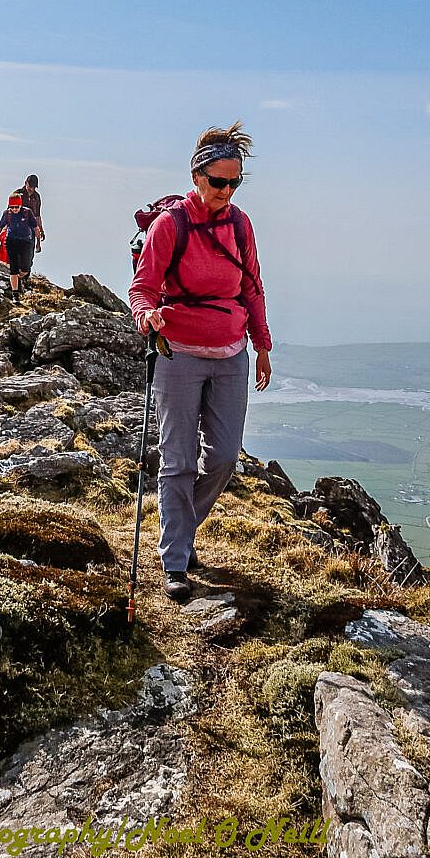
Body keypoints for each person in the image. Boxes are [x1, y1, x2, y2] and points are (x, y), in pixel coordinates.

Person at [129, 121, 272, 601]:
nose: (227, 192)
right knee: (179, 461)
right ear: (197, 177)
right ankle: (175, 560)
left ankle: (180, 530)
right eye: (218, 182)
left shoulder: (240, 224)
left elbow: (251, 285)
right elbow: (143, 286)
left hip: (232, 354)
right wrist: (147, 313)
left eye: (234, 182)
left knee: (225, 457)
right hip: (179, 354)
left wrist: (263, 343)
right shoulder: (172, 226)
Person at [0, 194, 39, 303]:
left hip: (26, 242)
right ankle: (15, 295)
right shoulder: (7, 214)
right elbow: (0, 227)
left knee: (25, 268)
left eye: (16, 207)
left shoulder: (27, 212)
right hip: (11, 241)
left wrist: (38, 243)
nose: (14, 209)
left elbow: (36, 228)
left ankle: (19, 278)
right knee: (13, 268)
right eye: (12, 207)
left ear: (20, 205)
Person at [12, 174, 44, 277]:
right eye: (30, 186)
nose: (32, 189)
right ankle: (16, 280)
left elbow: (38, 215)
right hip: (17, 230)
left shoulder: (37, 197)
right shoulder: (17, 194)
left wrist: (41, 230)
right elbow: (9, 212)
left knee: (29, 256)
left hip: (31, 231)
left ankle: (25, 279)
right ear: (26, 183)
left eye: (34, 187)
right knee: (17, 256)